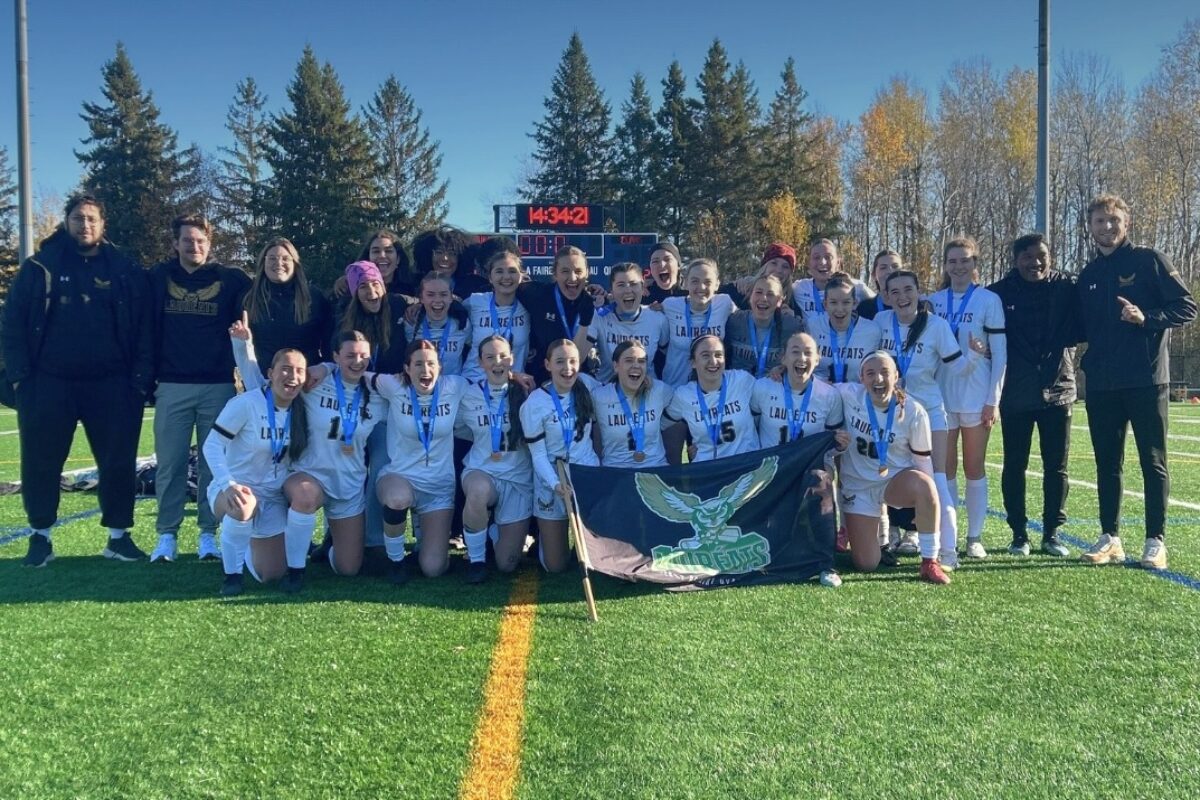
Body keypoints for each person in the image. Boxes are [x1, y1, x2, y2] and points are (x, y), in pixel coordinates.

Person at [5, 193, 153, 567]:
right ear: (66, 222)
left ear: (103, 225)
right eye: (77, 218)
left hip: (113, 384)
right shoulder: (41, 265)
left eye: (91, 219)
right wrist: (21, 378)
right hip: (50, 383)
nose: (84, 225)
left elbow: (144, 326)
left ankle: (118, 538)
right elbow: (12, 323)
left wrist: (139, 381)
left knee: (118, 462)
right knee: (41, 461)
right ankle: (40, 538)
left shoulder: (123, 269)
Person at [1076, 193, 1197, 570]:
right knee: (1107, 463)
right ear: (1090, 227)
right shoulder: (1089, 275)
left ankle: (1155, 540)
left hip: (1146, 381)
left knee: (1153, 460)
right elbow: (1076, 326)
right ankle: (1110, 537)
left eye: (1113, 220)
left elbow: (1187, 306)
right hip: (1102, 384)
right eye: (1099, 221)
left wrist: (1147, 317)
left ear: (1125, 224)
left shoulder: (1149, 261)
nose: (1106, 227)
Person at [147, 213, 251, 563]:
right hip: (173, 384)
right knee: (171, 464)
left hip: (218, 386)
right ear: (175, 243)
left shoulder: (231, 279)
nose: (195, 246)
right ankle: (167, 536)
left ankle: (209, 535)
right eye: (187, 240)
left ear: (210, 244)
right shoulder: (158, 278)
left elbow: (268, 291)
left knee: (215, 466)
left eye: (201, 241)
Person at [877, 269, 987, 568]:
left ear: (919, 292)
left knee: (937, 482)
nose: (902, 297)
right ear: (886, 296)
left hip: (928, 417)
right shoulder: (880, 322)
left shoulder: (936, 325)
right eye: (895, 291)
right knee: (882, 480)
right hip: (891, 418)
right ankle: (884, 542)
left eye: (908, 289)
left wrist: (976, 355)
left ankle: (947, 553)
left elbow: (959, 368)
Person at [988, 233, 1078, 557]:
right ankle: (1018, 534)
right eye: (1027, 256)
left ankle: (1052, 533)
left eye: (1041, 255)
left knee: (1057, 467)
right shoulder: (996, 294)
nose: (1035, 262)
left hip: (1059, 390)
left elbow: (1088, 322)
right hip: (1016, 393)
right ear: (1016, 260)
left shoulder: (1067, 288)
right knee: (1015, 465)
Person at [835, 352, 951, 584]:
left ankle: (930, 561)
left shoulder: (913, 411)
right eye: (871, 373)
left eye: (885, 372)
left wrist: (927, 503)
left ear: (896, 376)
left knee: (925, 485)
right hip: (858, 487)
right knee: (866, 564)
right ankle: (859, 538)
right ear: (861, 378)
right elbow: (815, 386)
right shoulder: (847, 395)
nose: (878, 378)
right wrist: (782, 371)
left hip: (893, 480)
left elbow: (923, 463)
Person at [203, 348, 310, 596]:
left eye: (299, 371)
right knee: (243, 504)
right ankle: (232, 576)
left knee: (271, 575)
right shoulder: (246, 403)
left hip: (272, 496)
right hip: (234, 488)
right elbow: (212, 444)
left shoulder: (303, 409)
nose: (292, 376)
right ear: (270, 374)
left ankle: (246, 539)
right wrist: (227, 483)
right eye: (285, 369)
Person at [285, 331, 388, 578]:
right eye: (350, 355)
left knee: (349, 568)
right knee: (306, 497)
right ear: (336, 356)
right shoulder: (314, 383)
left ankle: (328, 548)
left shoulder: (378, 392)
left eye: (363, 355)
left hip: (349, 484)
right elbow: (269, 383)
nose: (357, 361)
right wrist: (242, 346)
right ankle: (295, 568)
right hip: (310, 474)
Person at [931, 237, 1007, 559]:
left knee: (973, 468)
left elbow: (1000, 354)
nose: (959, 267)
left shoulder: (989, 300)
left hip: (977, 396)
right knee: (945, 470)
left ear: (976, 264)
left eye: (965, 261)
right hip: (941, 396)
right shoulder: (932, 301)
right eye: (952, 261)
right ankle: (948, 534)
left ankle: (974, 537)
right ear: (945, 266)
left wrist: (994, 398)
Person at [373, 340, 470, 582]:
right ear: (406, 368)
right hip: (399, 477)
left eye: (431, 364)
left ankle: (424, 536)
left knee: (433, 569)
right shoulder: (393, 385)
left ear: (440, 367)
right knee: (397, 499)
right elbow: (355, 373)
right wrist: (323, 369)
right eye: (418, 364)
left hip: (439, 486)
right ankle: (395, 561)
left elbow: (491, 383)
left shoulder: (455, 386)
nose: (425, 370)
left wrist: (514, 375)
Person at [456, 335, 534, 581]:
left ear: (512, 359)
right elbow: (460, 429)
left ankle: (491, 532)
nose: (497, 362)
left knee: (507, 564)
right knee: (478, 491)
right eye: (490, 357)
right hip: (482, 471)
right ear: (480, 362)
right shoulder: (468, 394)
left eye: (502, 356)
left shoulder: (527, 392)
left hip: (518, 479)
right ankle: (476, 561)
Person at [519, 339, 599, 572]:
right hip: (552, 478)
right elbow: (538, 456)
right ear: (547, 365)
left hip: (585, 473)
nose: (568, 368)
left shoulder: (589, 386)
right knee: (556, 566)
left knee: (591, 560)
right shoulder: (535, 403)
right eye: (560, 362)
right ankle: (546, 539)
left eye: (573, 361)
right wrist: (555, 485)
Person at [243, 237, 333, 373]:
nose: (278, 263)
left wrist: (326, 368)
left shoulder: (314, 297)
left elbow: (329, 340)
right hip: (263, 381)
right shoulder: (249, 299)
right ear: (263, 263)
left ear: (295, 263)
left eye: (285, 258)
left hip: (306, 380)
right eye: (272, 258)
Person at [665, 335, 760, 461]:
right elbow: (660, 425)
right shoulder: (683, 396)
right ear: (693, 362)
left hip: (747, 467)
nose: (713, 361)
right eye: (705, 355)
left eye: (718, 355)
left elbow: (770, 398)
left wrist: (780, 372)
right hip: (709, 472)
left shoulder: (742, 380)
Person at [591, 340, 679, 467]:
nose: (636, 365)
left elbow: (688, 404)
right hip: (615, 473)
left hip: (655, 470)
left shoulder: (659, 390)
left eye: (641, 361)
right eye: (629, 360)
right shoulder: (599, 397)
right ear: (616, 366)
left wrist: (696, 444)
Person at [751, 332, 843, 447]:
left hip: (809, 464)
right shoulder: (762, 387)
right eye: (795, 352)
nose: (802, 358)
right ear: (783, 358)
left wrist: (839, 447)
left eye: (808, 353)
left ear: (817, 359)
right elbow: (751, 431)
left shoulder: (830, 395)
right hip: (770, 463)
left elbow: (830, 446)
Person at [518, 246, 596, 382]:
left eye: (578, 271)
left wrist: (585, 321)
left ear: (587, 273)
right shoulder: (536, 294)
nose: (572, 278)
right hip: (541, 382)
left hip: (576, 379)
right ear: (555, 274)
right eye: (565, 271)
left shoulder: (592, 303)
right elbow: (506, 286)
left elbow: (579, 358)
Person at [587, 262, 669, 382]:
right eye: (621, 285)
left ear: (642, 288)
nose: (628, 290)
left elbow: (672, 357)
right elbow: (579, 356)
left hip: (647, 392)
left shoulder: (657, 319)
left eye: (633, 284)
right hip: (608, 390)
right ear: (612, 291)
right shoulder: (600, 317)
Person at [661, 259, 738, 387]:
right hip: (674, 387)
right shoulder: (670, 305)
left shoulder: (725, 303)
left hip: (710, 391)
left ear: (717, 285)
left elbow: (748, 318)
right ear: (685, 283)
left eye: (707, 282)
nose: (701, 287)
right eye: (695, 281)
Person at [463, 251, 533, 382]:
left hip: (513, 385)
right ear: (490, 277)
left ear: (521, 276)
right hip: (474, 383)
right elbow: (447, 306)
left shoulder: (529, 305)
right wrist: (417, 307)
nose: (506, 277)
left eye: (512, 271)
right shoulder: (475, 302)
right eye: (499, 271)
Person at [807, 273, 883, 385]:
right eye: (833, 302)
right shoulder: (813, 326)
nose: (839, 309)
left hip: (855, 396)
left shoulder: (871, 330)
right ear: (825, 304)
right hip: (821, 395)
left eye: (846, 302)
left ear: (854, 303)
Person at [724, 275, 803, 377]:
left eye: (770, 294)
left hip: (773, 387)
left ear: (779, 301)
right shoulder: (734, 321)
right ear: (750, 296)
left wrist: (784, 369)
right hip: (738, 387)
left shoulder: (792, 326)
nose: (764, 298)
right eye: (758, 292)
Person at [402, 273, 473, 376]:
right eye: (430, 295)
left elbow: (475, 348)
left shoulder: (462, 323)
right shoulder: (411, 322)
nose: (437, 300)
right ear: (421, 298)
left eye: (443, 294)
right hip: (421, 386)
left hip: (452, 388)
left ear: (451, 297)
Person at [791, 239, 875, 324]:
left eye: (828, 257)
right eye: (816, 257)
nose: (822, 262)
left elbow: (881, 303)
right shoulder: (799, 288)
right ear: (809, 263)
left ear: (838, 263)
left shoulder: (856, 287)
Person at [412, 225, 488, 298]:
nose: (445, 258)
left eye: (452, 253)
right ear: (428, 255)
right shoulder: (413, 284)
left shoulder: (478, 286)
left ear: (461, 257)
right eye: (439, 252)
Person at [856, 249, 903, 320]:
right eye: (883, 267)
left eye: (895, 266)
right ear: (874, 275)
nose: (890, 271)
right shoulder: (864, 309)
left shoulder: (914, 306)